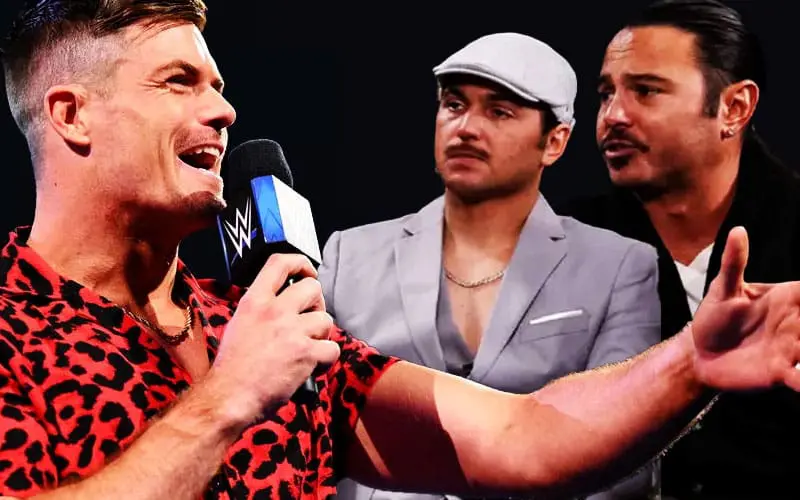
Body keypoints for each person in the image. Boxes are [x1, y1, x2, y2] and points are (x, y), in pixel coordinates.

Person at [2, 2, 800, 500]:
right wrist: (226, 399)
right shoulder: (14, 321)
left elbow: (526, 437)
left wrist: (691, 364)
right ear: (73, 115)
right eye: (179, 82)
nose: (223, 110)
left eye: (217, 85)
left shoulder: (259, 328)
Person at [318, 32, 661, 500]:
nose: (466, 128)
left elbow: (628, 445)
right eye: (454, 105)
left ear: (555, 141)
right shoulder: (349, 256)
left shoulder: (619, 266)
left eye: (499, 112)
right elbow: (306, 425)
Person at [557, 0, 800, 498]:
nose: (612, 116)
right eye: (606, 94)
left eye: (646, 90)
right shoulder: (564, 243)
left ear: (734, 107)